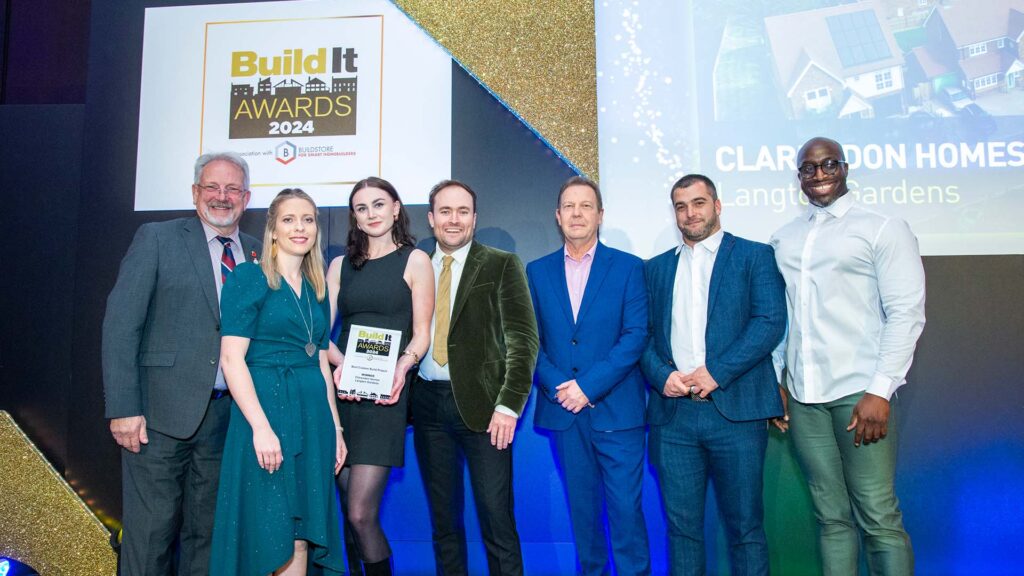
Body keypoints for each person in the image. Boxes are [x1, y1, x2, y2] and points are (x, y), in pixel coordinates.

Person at [770, 137, 925, 575]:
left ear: (845, 167)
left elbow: (906, 314)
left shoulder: (882, 227)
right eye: (808, 168)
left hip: (861, 395)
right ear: (798, 176)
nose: (818, 175)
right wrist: (778, 381)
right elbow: (785, 319)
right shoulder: (784, 237)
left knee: (878, 517)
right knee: (831, 517)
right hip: (804, 399)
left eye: (828, 165)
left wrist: (880, 390)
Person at [102, 152, 260, 575]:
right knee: (150, 535)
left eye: (232, 189)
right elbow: (121, 327)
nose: (222, 197)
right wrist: (123, 407)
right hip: (157, 417)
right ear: (195, 193)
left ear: (246, 197)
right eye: (212, 187)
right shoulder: (157, 238)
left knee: (208, 538)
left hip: (227, 421)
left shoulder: (259, 253)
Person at [641, 174, 786, 576]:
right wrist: (662, 374)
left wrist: (716, 373)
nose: (690, 213)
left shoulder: (754, 256)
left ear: (717, 206)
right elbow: (643, 336)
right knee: (683, 530)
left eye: (699, 203)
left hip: (736, 413)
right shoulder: (655, 270)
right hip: (674, 418)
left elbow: (770, 321)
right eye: (681, 206)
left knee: (745, 528)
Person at [209, 188, 346, 575]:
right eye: (289, 220)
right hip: (266, 414)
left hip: (313, 418)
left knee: (302, 533)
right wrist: (261, 428)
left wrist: (335, 428)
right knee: (268, 530)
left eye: (307, 220)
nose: (299, 228)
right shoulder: (249, 278)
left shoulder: (317, 288)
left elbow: (321, 363)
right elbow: (232, 359)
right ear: (272, 230)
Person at [412, 179, 539, 576]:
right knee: (444, 523)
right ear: (431, 218)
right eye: (445, 211)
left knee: (496, 520)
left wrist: (508, 406)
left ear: (475, 218)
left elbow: (524, 341)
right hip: (427, 405)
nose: (454, 220)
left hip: (487, 410)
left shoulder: (502, 263)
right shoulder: (414, 266)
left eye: (462, 211)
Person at [526, 176, 651, 576]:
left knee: (626, 514)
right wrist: (564, 389)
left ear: (600, 215)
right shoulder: (537, 271)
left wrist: (587, 387)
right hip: (565, 412)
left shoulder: (630, 268)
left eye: (585, 206)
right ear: (557, 216)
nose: (577, 213)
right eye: (569, 206)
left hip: (618, 412)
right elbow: (530, 340)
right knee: (583, 515)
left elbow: (635, 336)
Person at [326, 177, 434, 575]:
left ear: (396, 208)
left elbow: (422, 333)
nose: (371, 214)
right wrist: (340, 367)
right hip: (343, 397)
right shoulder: (339, 266)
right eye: (361, 207)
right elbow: (321, 332)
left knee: (359, 514)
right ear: (354, 217)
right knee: (346, 510)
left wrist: (402, 367)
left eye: (378, 204)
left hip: (386, 398)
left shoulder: (416, 260)